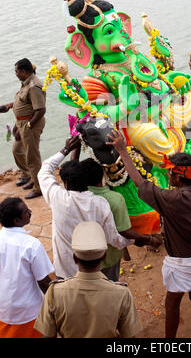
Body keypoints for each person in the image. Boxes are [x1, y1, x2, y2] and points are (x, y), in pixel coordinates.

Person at [106, 129, 191, 339]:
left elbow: (140, 183)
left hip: (186, 263)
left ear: (177, 178)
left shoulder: (173, 200)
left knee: (172, 303)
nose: (167, 176)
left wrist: (123, 151)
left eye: (169, 173)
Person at [37, 136, 134, 280]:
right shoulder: (100, 204)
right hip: (95, 271)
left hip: (66, 270)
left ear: (67, 184)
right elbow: (114, 239)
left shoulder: (58, 198)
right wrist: (136, 239)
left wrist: (66, 149)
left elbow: (45, 169)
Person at [34, 221, 143, 338]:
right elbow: (129, 336)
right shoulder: (122, 294)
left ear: (75, 259)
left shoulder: (54, 293)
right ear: (104, 257)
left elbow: (48, 335)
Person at [80, 158, 162, 281]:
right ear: (102, 175)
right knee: (110, 282)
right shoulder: (115, 199)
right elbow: (123, 231)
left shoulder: (73, 197)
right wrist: (148, 239)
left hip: (83, 255)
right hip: (108, 257)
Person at [0, 197, 54, 338]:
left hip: (3, 309)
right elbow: (43, 282)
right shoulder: (31, 245)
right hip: (28, 312)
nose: (30, 212)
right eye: (25, 211)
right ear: (17, 221)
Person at [3, 59, 46, 198]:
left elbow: (40, 110)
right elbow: (24, 105)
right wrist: (17, 126)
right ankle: (31, 176)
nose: (15, 74)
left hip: (31, 125)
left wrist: (28, 126)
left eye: (16, 71)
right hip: (22, 123)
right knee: (17, 150)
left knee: (32, 157)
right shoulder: (26, 83)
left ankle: (39, 187)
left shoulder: (33, 86)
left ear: (23, 71)